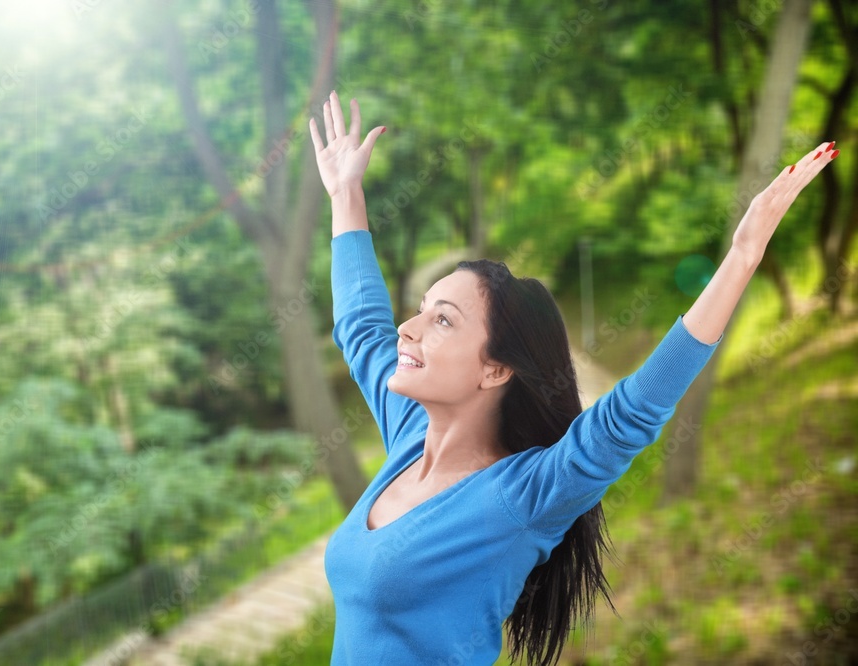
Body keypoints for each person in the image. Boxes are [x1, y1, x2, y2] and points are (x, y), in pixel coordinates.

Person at [308, 90, 838, 665]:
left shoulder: (519, 496)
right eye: (421, 308)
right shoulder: (410, 434)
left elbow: (628, 416)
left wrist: (741, 256)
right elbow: (361, 326)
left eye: (442, 320)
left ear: (495, 369)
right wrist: (345, 193)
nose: (406, 330)